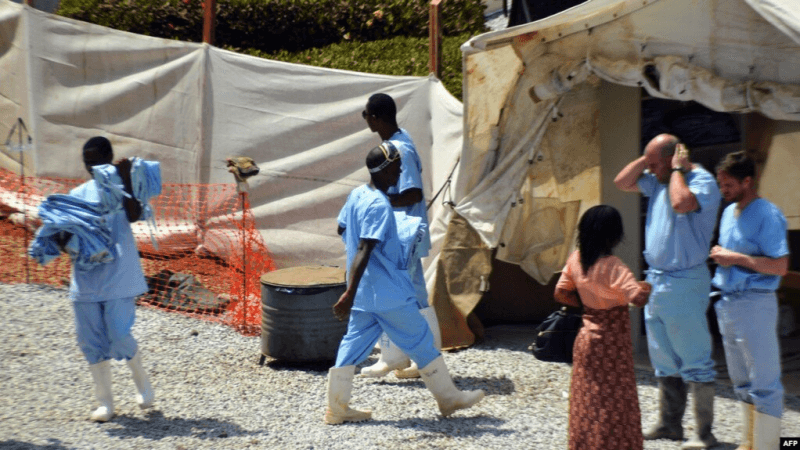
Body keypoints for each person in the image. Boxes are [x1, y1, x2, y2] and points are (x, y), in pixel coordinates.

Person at [325, 143, 483, 425]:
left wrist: (353, 289)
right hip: (385, 292)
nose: (400, 170)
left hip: (363, 293)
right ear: (385, 169)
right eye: (397, 165)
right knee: (420, 338)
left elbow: (342, 229)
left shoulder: (357, 195)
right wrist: (348, 292)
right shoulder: (379, 205)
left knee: (352, 343)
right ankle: (448, 398)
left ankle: (337, 408)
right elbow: (365, 248)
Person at [614, 133, 721, 449]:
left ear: (675, 158)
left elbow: (681, 203)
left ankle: (704, 434)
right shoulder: (658, 179)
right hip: (658, 280)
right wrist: (648, 161)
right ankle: (670, 424)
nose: (649, 169)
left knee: (695, 357)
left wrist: (675, 170)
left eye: (654, 163)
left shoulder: (701, 181)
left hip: (685, 281)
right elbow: (622, 181)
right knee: (663, 357)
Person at [66, 137, 154, 422]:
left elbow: (134, 214)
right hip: (86, 281)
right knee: (89, 340)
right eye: (87, 162)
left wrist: (126, 180)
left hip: (119, 277)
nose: (91, 167)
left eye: (96, 160)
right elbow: (63, 237)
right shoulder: (77, 194)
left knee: (118, 334)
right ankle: (105, 403)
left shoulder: (122, 189)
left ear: (109, 157)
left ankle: (141, 379)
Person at [554, 205, 651, 450]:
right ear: (614, 235)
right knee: (615, 403)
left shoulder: (576, 259)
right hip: (612, 344)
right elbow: (637, 299)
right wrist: (646, 288)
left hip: (586, 339)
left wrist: (587, 303)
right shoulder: (614, 266)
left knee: (588, 401)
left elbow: (561, 292)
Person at [710, 151, 787, 450]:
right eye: (720, 184)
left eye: (728, 184)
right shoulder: (729, 212)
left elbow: (779, 265)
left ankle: (768, 445)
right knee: (740, 380)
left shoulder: (768, 214)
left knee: (764, 381)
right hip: (727, 302)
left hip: (755, 302)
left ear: (747, 181)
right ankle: (750, 442)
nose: (723, 190)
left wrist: (733, 258)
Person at [359, 93, 438, 379]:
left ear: (376, 117)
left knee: (409, 295)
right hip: (398, 233)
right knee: (396, 294)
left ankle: (425, 360)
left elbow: (413, 193)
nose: (365, 118)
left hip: (405, 234)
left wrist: (379, 203)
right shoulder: (395, 142)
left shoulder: (399, 148)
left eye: (365, 114)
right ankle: (397, 357)